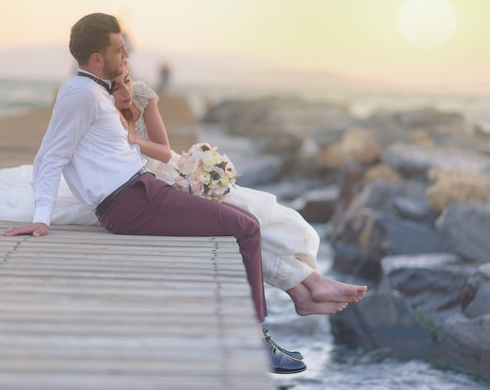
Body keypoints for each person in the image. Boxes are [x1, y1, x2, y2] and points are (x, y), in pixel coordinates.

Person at [0, 12, 305, 375]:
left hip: (143, 190)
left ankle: (253, 330)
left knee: (245, 220)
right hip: (132, 202)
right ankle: (254, 340)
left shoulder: (95, 91)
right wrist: (41, 219)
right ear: (97, 59)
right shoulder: (80, 96)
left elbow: (119, 153)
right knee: (247, 228)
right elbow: (50, 157)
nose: (126, 54)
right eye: (118, 49)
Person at [112, 64, 367, 318]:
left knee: (251, 214)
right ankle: (305, 289)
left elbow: (164, 150)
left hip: (169, 172)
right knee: (240, 225)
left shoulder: (142, 94)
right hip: (141, 187)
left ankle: (309, 286)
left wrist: (136, 141)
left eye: (127, 79)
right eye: (116, 85)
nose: (125, 89)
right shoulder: (98, 107)